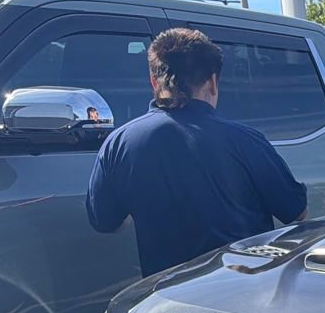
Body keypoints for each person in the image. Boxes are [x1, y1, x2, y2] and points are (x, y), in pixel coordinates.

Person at [86, 27, 307, 275]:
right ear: (212, 81)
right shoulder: (246, 141)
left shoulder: (119, 144)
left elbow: (105, 222)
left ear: (153, 81)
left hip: (166, 300)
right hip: (244, 294)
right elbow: (298, 213)